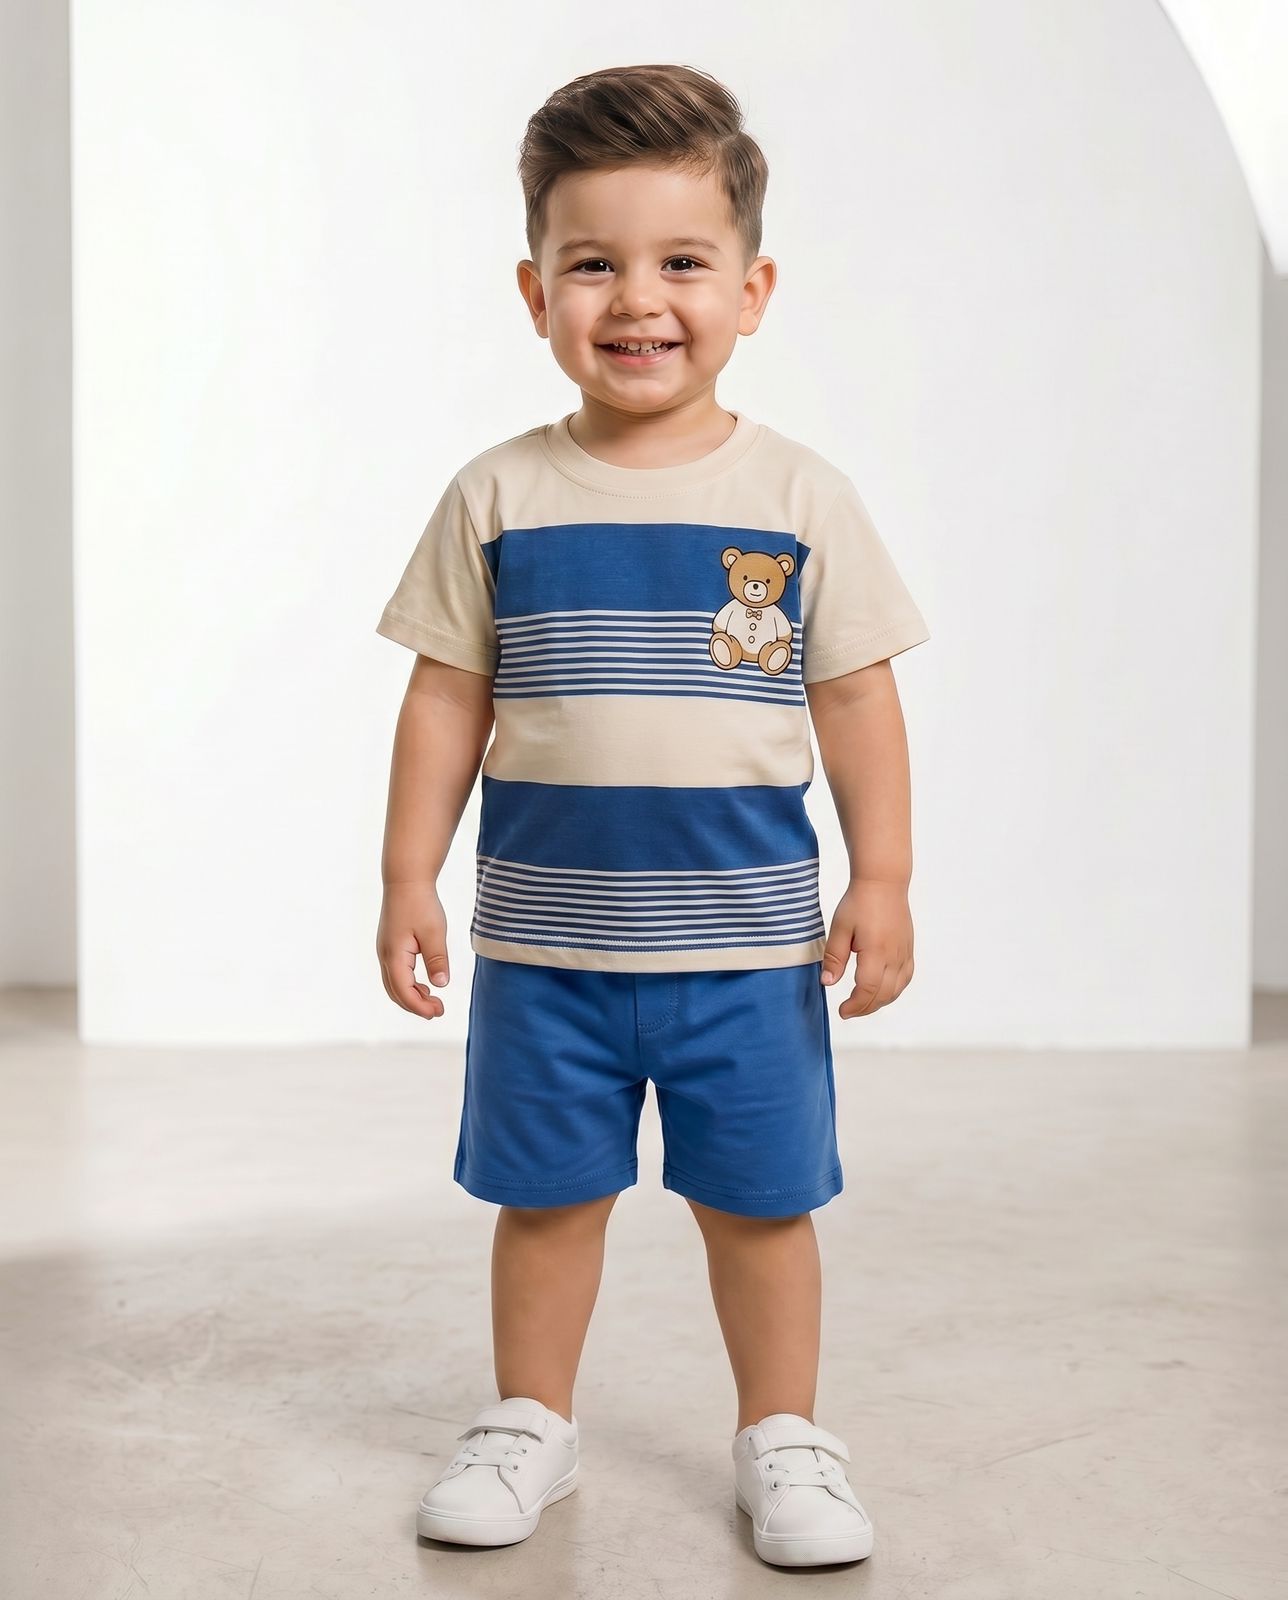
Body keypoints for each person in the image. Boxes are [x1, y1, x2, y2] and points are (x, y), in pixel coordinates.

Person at [374, 63, 930, 1569]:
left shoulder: (798, 497)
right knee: (547, 1201)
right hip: (546, 954)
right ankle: (529, 1422)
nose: (637, 299)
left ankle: (785, 1437)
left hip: (746, 956)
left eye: (682, 262)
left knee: (761, 1207)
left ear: (751, 290)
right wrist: (409, 878)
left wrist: (882, 877)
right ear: (534, 292)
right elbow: (444, 700)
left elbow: (857, 700)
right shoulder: (497, 496)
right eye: (592, 264)